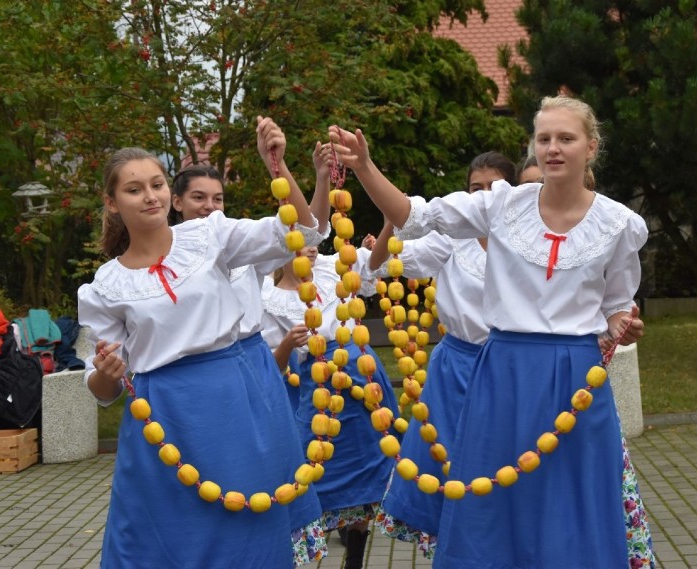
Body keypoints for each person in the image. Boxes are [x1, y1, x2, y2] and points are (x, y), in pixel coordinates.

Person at [329, 94, 655, 568]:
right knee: (490, 508)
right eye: (544, 139)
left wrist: (623, 325)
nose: (554, 148)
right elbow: (414, 215)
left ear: (591, 147)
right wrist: (365, 168)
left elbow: (615, 306)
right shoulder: (503, 204)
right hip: (503, 371)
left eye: (566, 138)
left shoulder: (620, 224)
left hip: (575, 377)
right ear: (533, 147)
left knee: (571, 502)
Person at [78, 130, 326, 568]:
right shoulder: (104, 286)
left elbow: (302, 229)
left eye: (156, 185)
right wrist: (107, 370)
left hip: (235, 401)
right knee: (168, 533)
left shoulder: (208, 235)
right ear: (113, 202)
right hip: (164, 415)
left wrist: (279, 168)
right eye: (134, 189)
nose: (150, 196)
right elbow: (102, 391)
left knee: (245, 528)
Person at [165, 118, 330, 566]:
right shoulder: (161, 252)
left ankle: (270, 554)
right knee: (213, 478)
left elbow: (308, 229)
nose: (209, 207)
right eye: (198, 198)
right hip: (198, 377)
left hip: (253, 366)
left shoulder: (235, 242)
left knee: (268, 472)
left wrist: (277, 166)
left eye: (217, 198)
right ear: (175, 201)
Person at [367, 152, 518, 558]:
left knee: (502, 469)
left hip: (509, 369)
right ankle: (455, 554)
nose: (484, 196)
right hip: (456, 369)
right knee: (450, 468)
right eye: (475, 189)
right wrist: (388, 223)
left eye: (494, 187)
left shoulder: (527, 237)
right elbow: (377, 269)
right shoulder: (452, 238)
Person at [260, 142, 401, 569]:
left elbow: (372, 269)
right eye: (296, 241)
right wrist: (288, 345)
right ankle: (311, 544)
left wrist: (392, 222)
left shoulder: (333, 268)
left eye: (308, 242)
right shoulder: (269, 298)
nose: (304, 247)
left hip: (360, 384)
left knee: (368, 469)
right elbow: (272, 363)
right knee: (314, 473)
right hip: (311, 395)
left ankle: (356, 554)